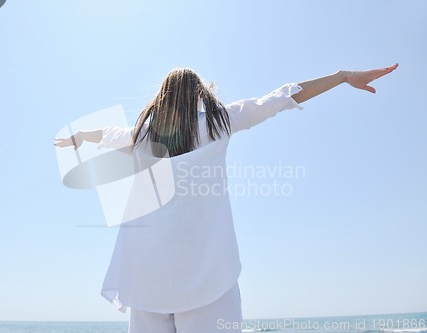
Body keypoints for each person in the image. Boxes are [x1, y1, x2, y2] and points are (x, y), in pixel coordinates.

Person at [54, 64, 398, 333]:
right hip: (208, 276)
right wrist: (341, 77)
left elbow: (109, 134)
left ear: (162, 97)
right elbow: (280, 97)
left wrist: (80, 137)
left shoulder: (143, 133)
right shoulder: (218, 122)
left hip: (148, 279)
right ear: (197, 95)